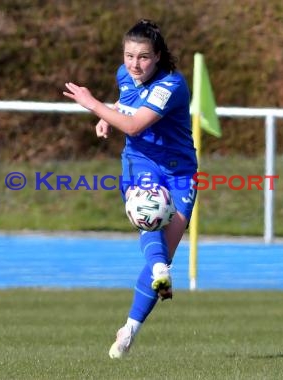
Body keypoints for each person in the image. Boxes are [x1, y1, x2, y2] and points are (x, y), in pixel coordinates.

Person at [63, 19, 197, 359]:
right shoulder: (125, 76)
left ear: (159, 56)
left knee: (163, 255)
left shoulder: (172, 85)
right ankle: (158, 271)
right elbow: (128, 104)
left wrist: (93, 104)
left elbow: (136, 124)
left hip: (180, 172)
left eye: (144, 57)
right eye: (128, 56)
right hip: (140, 164)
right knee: (147, 213)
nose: (134, 65)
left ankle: (129, 329)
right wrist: (108, 115)